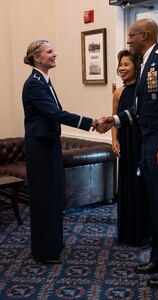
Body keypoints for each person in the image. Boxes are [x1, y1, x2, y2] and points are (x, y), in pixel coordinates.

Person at [99, 19, 158, 288]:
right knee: (156, 206)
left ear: (145, 35)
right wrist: (113, 121)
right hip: (148, 144)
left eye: (131, 35)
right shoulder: (147, 64)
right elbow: (140, 110)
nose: (128, 40)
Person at [22, 40, 104, 264]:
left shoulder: (43, 80)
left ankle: (53, 241)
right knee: (43, 198)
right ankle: (44, 251)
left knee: (53, 194)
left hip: (49, 144)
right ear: (37, 58)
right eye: (50, 52)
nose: (54, 55)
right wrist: (92, 122)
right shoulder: (34, 84)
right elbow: (57, 114)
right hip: (40, 147)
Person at [112, 50, 150, 246]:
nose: (122, 68)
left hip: (141, 142)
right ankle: (127, 232)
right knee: (126, 184)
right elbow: (114, 120)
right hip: (125, 143)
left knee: (141, 186)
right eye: (120, 64)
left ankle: (143, 232)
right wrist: (114, 141)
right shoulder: (118, 92)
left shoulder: (143, 90)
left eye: (126, 64)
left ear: (136, 67)